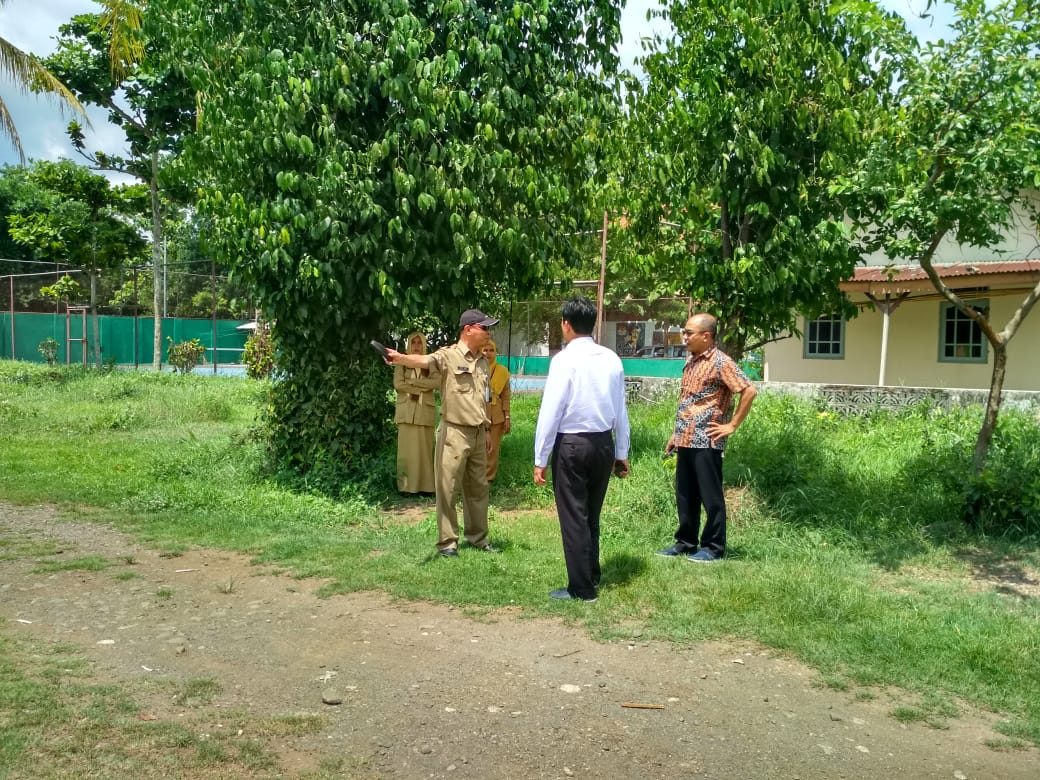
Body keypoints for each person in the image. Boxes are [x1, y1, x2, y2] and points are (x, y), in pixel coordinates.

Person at [534, 296, 631, 602]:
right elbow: (621, 410)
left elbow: (551, 411)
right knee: (591, 514)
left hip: (573, 445)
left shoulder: (563, 360)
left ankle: (582, 588)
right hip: (603, 444)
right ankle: (592, 574)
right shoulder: (611, 359)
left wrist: (541, 457)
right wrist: (621, 453)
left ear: (566, 324)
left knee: (574, 516)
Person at [385, 309, 500, 558]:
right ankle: (448, 542)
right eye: (485, 328)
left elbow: (486, 399)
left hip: (479, 432)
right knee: (447, 488)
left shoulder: (482, 361)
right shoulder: (449, 355)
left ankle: (478, 538)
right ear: (469, 330)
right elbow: (426, 361)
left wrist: (489, 429)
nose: (488, 333)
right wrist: (400, 358)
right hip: (454, 432)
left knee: (479, 488)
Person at [657, 313, 757, 563]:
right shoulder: (691, 361)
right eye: (685, 332)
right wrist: (675, 434)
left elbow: (749, 390)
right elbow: (688, 400)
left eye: (689, 333)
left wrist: (732, 425)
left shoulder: (721, 363)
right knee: (685, 493)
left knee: (710, 496)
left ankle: (713, 547)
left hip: (708, 439)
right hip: (686, 438)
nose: (685, 337)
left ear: (706, 336)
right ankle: (686, 542)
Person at [393, 332, 439, 495]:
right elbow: (398, 384)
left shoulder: (430, 363)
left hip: (424, 412)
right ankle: (405, 487)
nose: (417, 346)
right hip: (406, 412)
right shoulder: (401, 363)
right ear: (409, 345)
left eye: (420, 343)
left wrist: (412, 383)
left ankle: (426, 487)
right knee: (406, 451)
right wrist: (422, 387)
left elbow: (437, 382)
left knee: (425, 451)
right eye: (414, 343)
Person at [483, 339, 511, 482]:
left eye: (491, 350)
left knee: (492, 449)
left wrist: (507, 417)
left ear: (495, 352)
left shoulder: (502, 371)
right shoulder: (475, 367)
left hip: (496, 415)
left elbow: (506, 397)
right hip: (478, 412)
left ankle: (489, 479)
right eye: (485, 350)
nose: (488, 353)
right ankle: (474, 479)